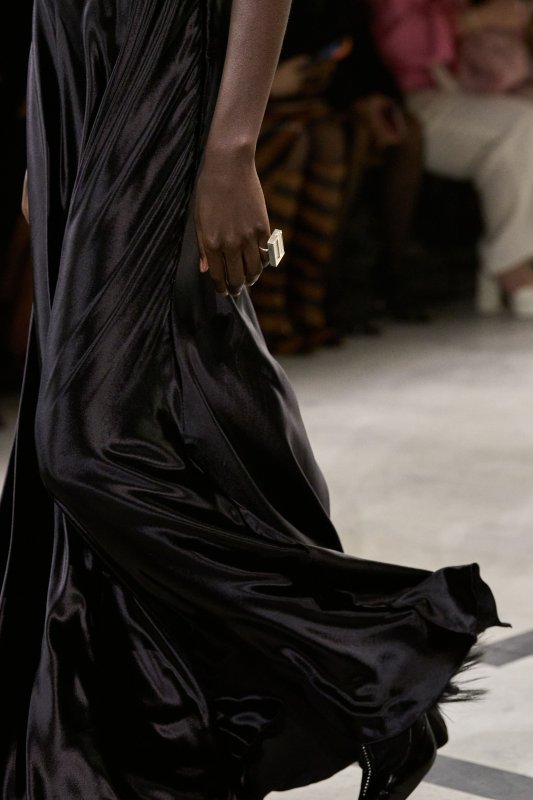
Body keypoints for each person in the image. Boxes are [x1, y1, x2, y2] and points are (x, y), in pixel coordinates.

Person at [1, 1, 506, 799]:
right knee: (182, 400)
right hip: (73, 70)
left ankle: (377, 654)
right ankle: (136, 747)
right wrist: (48, 125)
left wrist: (232, 148)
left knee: (85, 448)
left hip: (160, 61)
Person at [371, 0, 533, 318]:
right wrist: (472, 21)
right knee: (520, 125)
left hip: (481, 89)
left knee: (519, 128)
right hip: (411, 98)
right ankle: (508, 263)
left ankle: (506, 261)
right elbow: (398, 46)